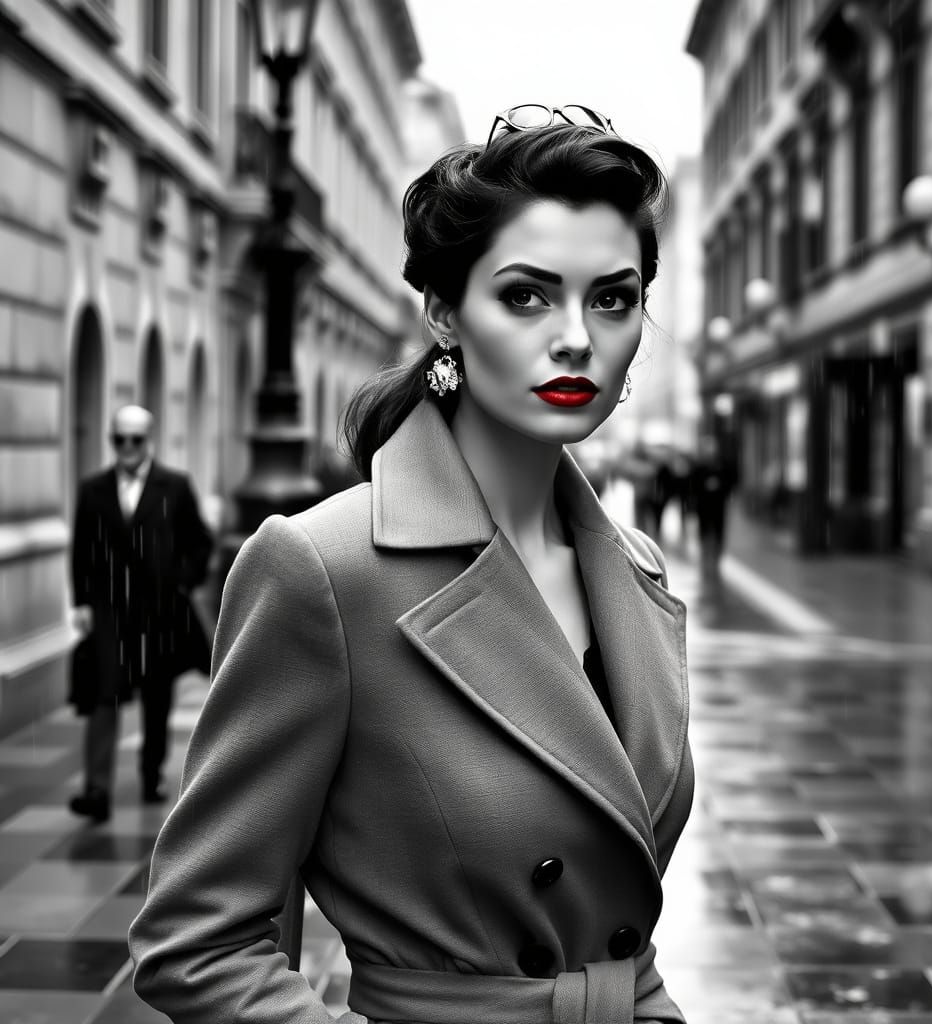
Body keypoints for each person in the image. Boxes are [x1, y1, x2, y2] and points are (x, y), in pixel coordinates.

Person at [129, 105, 694, 1024]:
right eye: (525, 294)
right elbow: (197, 942)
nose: (576, 338)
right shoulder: (323, 569)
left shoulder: (637, 568)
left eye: (612, 298)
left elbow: (617, 921)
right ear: (442, 312)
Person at [68, 404, 213, 823]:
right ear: (111, 440)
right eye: (119, 439)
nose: (127, 447)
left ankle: (151, 772)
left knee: (156, 694)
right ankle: (96, 788)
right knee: (102, 694)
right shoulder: (92, 489)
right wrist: (81, 603)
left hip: (158, 610)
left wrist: (181, 580)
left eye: (135, 439)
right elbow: (82, 550)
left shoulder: (176, 486)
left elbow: (200, 542)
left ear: (149, 439)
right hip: (110, 609)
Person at [691, 433, 734, 580]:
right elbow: (693, 485)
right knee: (704, 530)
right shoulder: (699, 467)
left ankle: (717, 556)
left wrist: (719, 486)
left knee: (718, 530)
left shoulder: (722, 466)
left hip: (718, 505)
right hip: (703, 505)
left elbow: (730, 482)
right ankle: (705, 555)